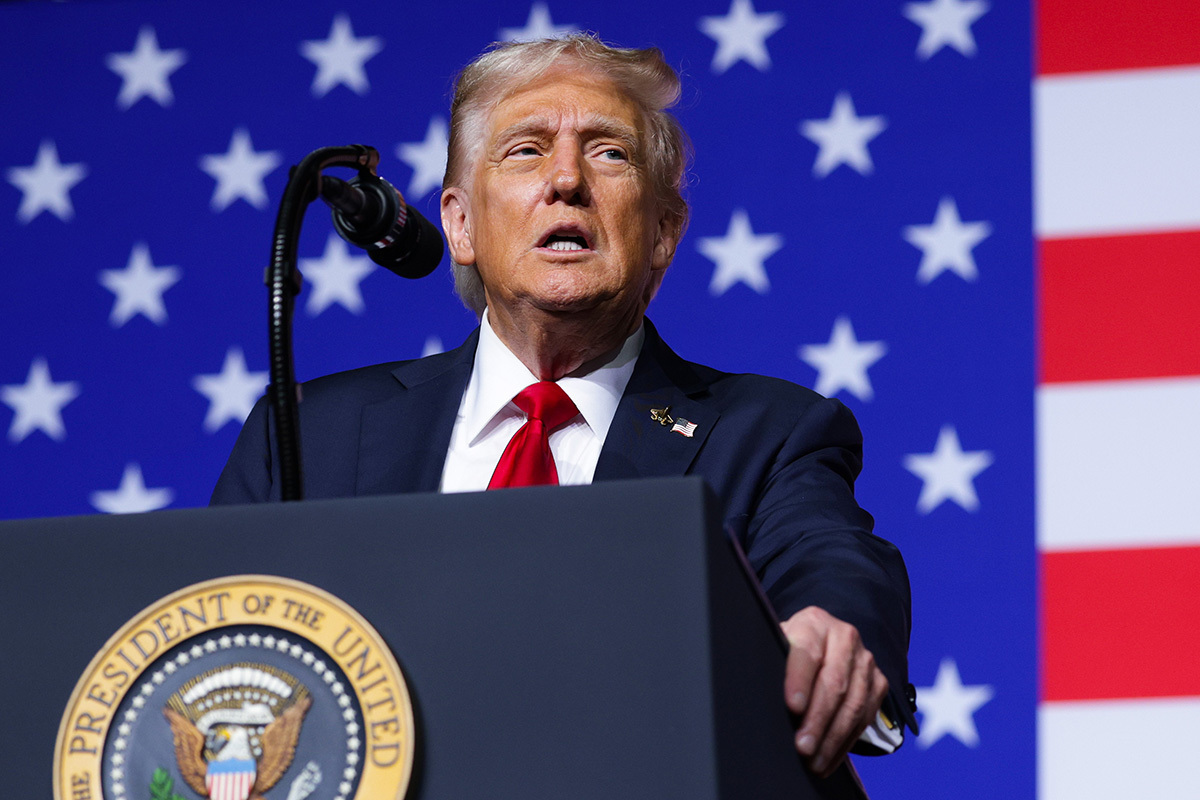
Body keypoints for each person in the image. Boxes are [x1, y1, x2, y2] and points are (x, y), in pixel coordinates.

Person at [212, 34, 916, 778]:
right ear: (459, 225)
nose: (568, 180)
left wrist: (831, 626)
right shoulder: (312, 435)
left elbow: (829, 559)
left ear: (664, 235)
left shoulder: (767, 433)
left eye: (609, 152)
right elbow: (206, 654)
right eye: (525, 150)